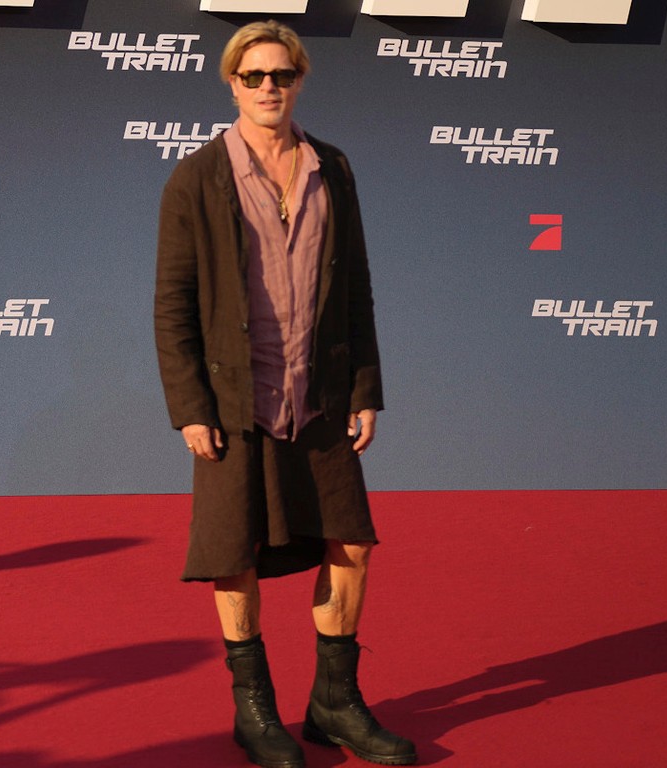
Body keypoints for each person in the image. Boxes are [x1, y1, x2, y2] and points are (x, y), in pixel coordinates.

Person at [154, 20, 416, 768]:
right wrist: (191, 409)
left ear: (300, 80)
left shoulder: (333, 167)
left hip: (321, 392)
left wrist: (365, 387)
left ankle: (334, 702)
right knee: (234, 552)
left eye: (282, 74)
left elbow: (356, 286)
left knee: (351, 542)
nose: (268, 87)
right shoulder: (196, 178)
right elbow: (172, 304)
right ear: (231, 84)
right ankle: (255, 710)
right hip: (236, 400)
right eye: (254, 76)